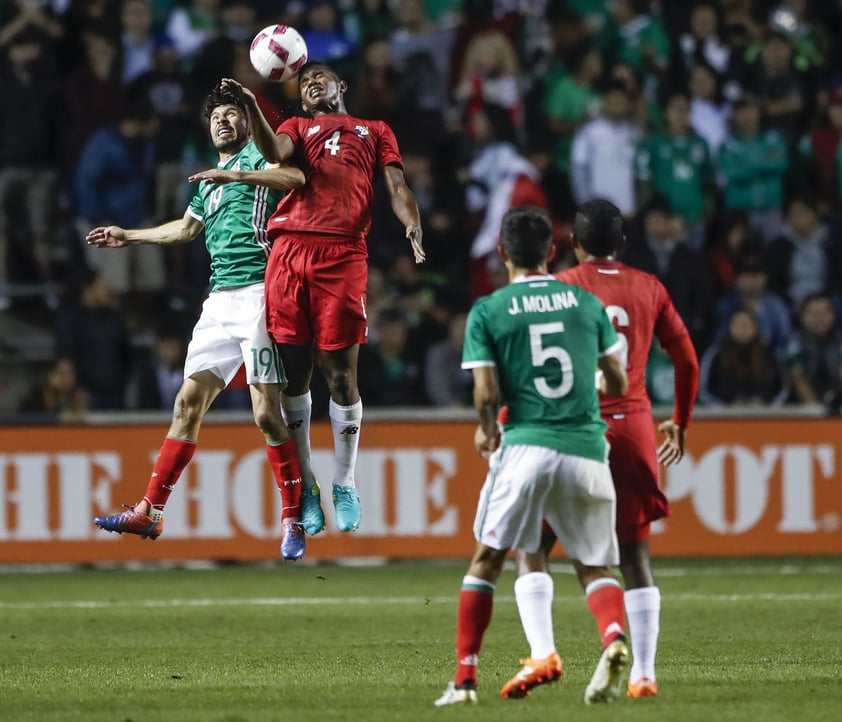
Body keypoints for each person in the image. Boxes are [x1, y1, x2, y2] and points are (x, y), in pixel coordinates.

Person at [88, 83, 310, 561]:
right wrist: (129, 235)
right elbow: (187, 229)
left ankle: (293, 519)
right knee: (187, 403)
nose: (223, 122)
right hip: (219, 301)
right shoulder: (209, 178)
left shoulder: (260, 157)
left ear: (247, 122)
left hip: (258, 295)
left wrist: (241, 178)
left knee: (266, 414)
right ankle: (150, 510)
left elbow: (295, 178)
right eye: (216, 118)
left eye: (232, 115)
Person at [500, 199, 700, 702]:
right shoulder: (649, 286)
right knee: (634, 554)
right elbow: (688, 361)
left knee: (532, 548)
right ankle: (645, 674)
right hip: (634, 427)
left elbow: (530, 367)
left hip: (572, 427)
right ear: (624, 242)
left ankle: (544, 651)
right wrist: (678, 421)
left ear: (572, 242)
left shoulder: (564, 288)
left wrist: (507, 420)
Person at [435, 205, 631, 707]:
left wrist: (485, 431)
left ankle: (464, 681)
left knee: (487, 560)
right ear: (553, 252)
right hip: (587, 447)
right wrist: (601, 383)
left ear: (502, 254)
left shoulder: (489, 309)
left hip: (525, 445)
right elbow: (618, 379)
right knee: (593, 565)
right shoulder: (586, 304)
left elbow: (484, 391)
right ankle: (613, 639)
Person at [220, 64, 425, 536]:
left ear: (343, 85)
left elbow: (396, 185)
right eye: (304, 81)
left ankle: (346, 481)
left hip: (343, 253)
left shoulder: (373, 130)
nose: (311, 83)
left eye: (321, 77)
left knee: (341, 375)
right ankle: (308, 484)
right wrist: (253, 104)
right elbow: (274, 154)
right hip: (291, 252)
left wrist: (410, 220)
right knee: (295, 378)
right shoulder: (295, 127)